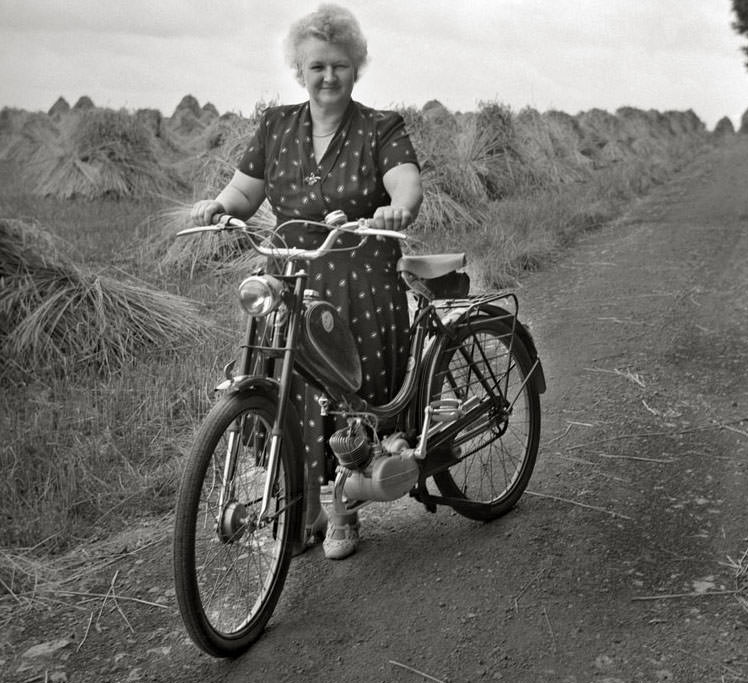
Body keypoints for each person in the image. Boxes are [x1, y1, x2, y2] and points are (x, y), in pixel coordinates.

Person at [191, 3, 423, 560]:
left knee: (343, 394)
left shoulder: (380, 127)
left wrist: (397, 208)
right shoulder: (276, 125)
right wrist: (219, 206)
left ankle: (342, 504)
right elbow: (246, 192)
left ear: (355, 67)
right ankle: (301, 506)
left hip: (357, 278)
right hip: (290, 275)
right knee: (285, 388)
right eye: (317, 66)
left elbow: (406, 184)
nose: (328, 77)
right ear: (300, 69)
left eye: (339, 65)